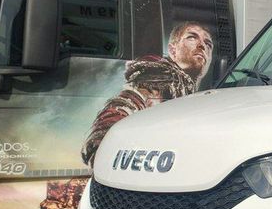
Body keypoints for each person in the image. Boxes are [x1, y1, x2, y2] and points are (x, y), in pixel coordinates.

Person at [81, 22, 214, 167]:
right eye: (192, 38)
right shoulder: (154, 81)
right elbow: (118, 113)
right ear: (172, 50)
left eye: (208, 44)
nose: (202, 46)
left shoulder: (204, 96)